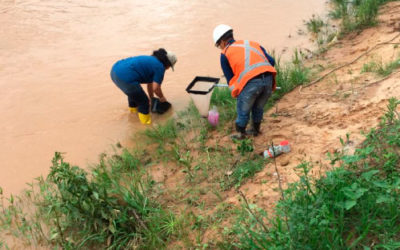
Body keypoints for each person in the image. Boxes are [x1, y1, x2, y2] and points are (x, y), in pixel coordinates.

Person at [213, 24, 277, 139]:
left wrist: (238, 95)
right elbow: (271, 61)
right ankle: (255, 130)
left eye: (219, 45)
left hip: (251, 85)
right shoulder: (252, 43)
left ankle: (240, 134)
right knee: (258, 107)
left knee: (243, 110)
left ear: (222, 41)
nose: (220, 48)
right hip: (268, 81)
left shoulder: (225, 54)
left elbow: (230, 80)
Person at [110, 48, 177, 124]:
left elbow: (150, 84)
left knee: (134, 95)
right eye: (169, 67)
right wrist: (162, 97)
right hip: (125, 77)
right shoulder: (160, 67)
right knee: (144, 102)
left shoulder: (152, 60)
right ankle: (146, 125)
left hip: (115, 71)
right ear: (168, 64)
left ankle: (133, 116)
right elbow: (156, 88)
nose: (168, 69)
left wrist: (151, 98)